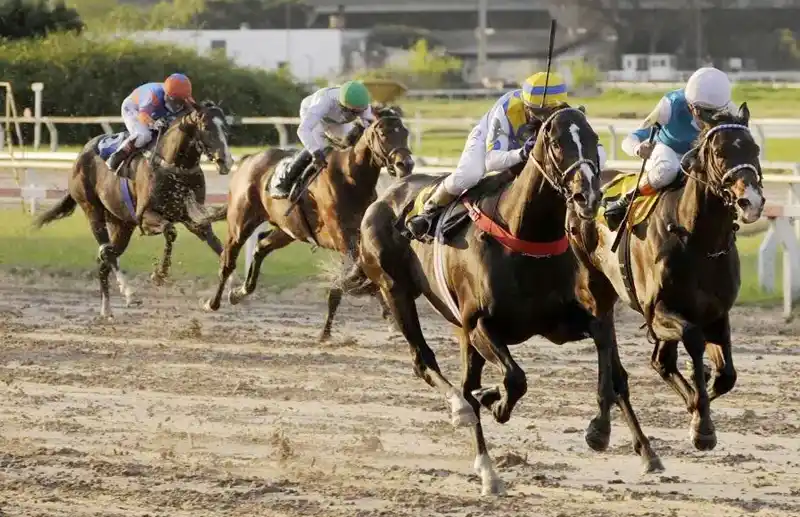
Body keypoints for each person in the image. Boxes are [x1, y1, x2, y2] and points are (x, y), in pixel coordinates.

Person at [407, 71, 606, 232]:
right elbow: (491, 161)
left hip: (527, 149)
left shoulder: (564, 114)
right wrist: (521, 153)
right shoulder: (507, 108)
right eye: (537, 113)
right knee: (468, 176)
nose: (543, 120)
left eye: (549, 114)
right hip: (492, 143)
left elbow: (598, 152)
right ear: (527, 106)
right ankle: (429, 211)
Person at [604, 66, 737, 219]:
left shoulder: (729, 112)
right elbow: (632, 138)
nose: (708, 119)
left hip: (697, 157)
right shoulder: (671, 104)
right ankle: (626, 200)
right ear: (690, 105)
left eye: (714, 113)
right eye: (703, 112)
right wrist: (637, 148)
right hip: (665, 152)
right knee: (669, 169)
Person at [269, 80, 376, 199]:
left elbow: (370, 128)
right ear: (343, 105)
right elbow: (303, 130)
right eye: (354, 111)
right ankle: (284, 181)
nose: (358, 114)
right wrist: (315, 152)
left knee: (351, 144)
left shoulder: (362, 105)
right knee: (320, 148)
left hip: (337, 121)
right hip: (315, 116)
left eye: (360, 111)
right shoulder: (324, 102)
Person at [105, 73, 196, 172]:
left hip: (155, 110)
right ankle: (116, 157)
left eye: (181, 102)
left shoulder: (183, 95)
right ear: (167, 95)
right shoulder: (152, 95)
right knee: (144, 135)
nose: (178, 106)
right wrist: (154, 124)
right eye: (176, 101)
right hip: (134, 109)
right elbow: (142, 116)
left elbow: (194, 111)